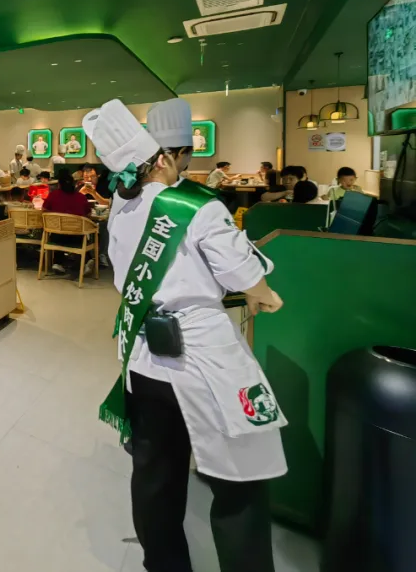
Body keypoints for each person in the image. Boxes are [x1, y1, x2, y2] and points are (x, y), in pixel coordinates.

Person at [89, 96, 286, 572]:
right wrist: (265, 294)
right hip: (203, 361)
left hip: (143, 356)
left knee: (155, 473)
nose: (186, 164)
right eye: (184, 155)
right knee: (239, 481)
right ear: (165, 157)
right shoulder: (196, 206)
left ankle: (163, 563)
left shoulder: (121, 204)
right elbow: (244, 275)